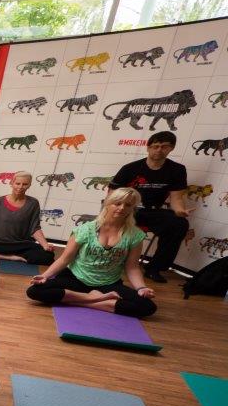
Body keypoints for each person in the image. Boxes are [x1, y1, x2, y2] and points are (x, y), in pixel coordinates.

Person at [26, 187, 156, 318]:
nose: (122, 208)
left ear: (132, 208)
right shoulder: (85, 229)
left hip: (108, 283)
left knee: (148, 307)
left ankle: (81, 301)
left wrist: (141, 288)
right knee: (34, 291)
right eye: (117, 203)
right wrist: (45, 276)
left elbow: (132, 267)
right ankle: (95, 299)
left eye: (128, 205)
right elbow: (65, 259)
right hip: (76, 278)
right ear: (108, 204)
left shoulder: (135, 235)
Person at [108, 131, 190, 283]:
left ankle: (155, 268)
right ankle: (109, 261)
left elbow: (176, 197)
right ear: (148, 147)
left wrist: (179, 210)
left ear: (171, 148)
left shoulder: (177, 170)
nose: (159, 150)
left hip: (153, 211)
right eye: (155, 146)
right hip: (128, 210)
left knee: (179, 224)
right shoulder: (130, 168)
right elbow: (112, 195)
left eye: (164, 147)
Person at [0, 172, 53, 265]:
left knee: (48, 255)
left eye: (25, 184)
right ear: (11, 183)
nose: (20, 187)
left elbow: (35, 228)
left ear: (29, 185)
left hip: (19, 245)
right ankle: (10, 257)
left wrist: (45, 245)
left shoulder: (33, 203)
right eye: (17, 183)